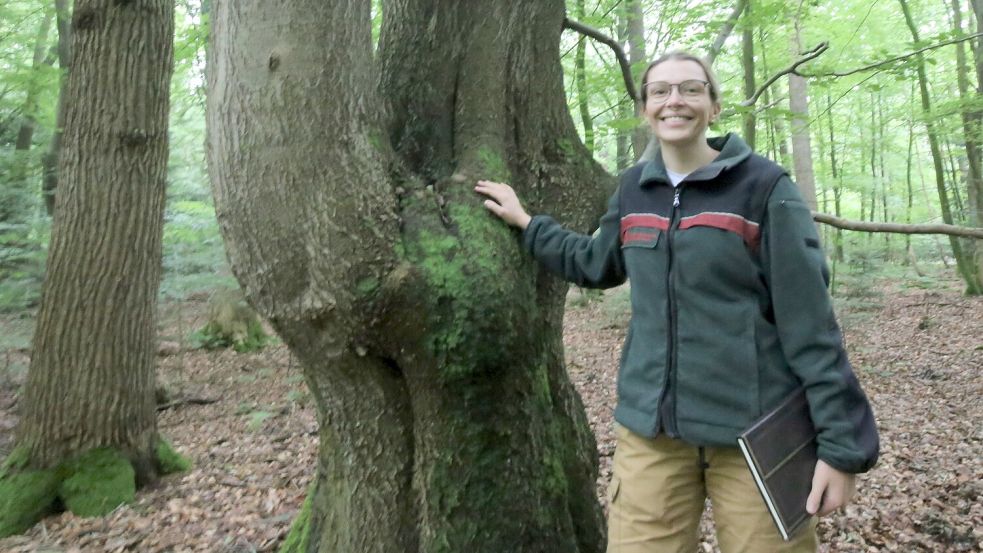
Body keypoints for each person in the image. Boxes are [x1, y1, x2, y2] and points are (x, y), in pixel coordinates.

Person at [475, 51, 878, 553]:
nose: (675, 101)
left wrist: (842, 448)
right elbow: (594, 263)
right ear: (645, 108)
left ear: (714, 105)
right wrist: (528, 223)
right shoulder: (633, 190)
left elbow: (811, 326)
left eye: (691, 89)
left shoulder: (766, 189)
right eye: (660, 91)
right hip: (652, 433)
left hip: (754, 434)